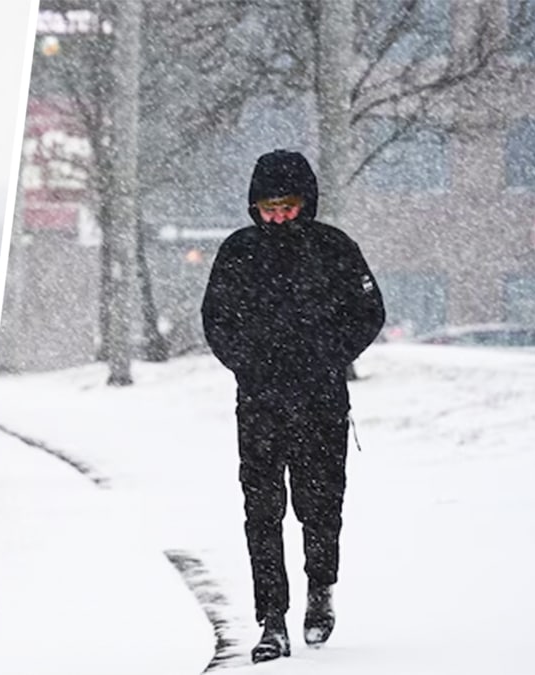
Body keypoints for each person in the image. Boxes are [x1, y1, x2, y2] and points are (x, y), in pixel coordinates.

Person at [200, 150, 385, 663]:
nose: (277, 216)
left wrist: (329, 356)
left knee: (320, 505)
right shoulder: (238, 253)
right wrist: (247, 364)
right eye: (267, 207)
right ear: (254, 206)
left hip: (321, 401)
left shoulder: (334, 249)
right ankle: (272, 619)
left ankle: (320, 588)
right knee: (262, 511)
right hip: (259, 404)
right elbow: (216, 320)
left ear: (306, 203)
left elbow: (370, 312)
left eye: (287, 206)